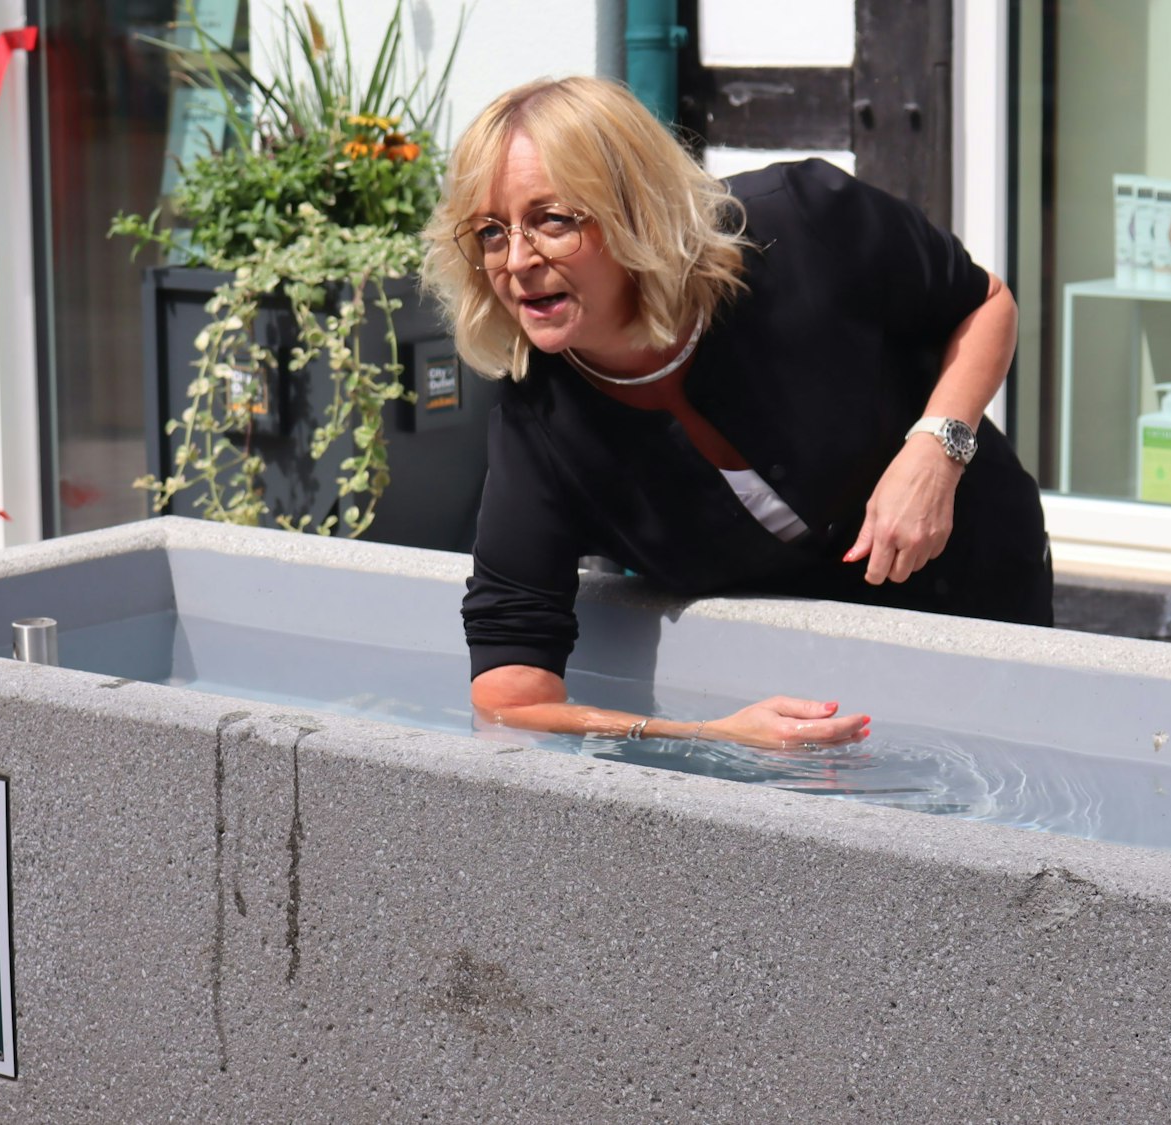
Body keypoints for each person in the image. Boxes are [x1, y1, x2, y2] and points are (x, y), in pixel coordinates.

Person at [421, 77, 1051, 752]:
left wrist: (936, 449)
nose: (516, 261)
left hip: (980, 591)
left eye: (552, 219)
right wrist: (702, 733)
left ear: (636, 208)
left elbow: (984, 302)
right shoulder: (538, 425)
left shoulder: (801, 223)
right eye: (491, 232)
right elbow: (507, 692)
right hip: (801, 699)